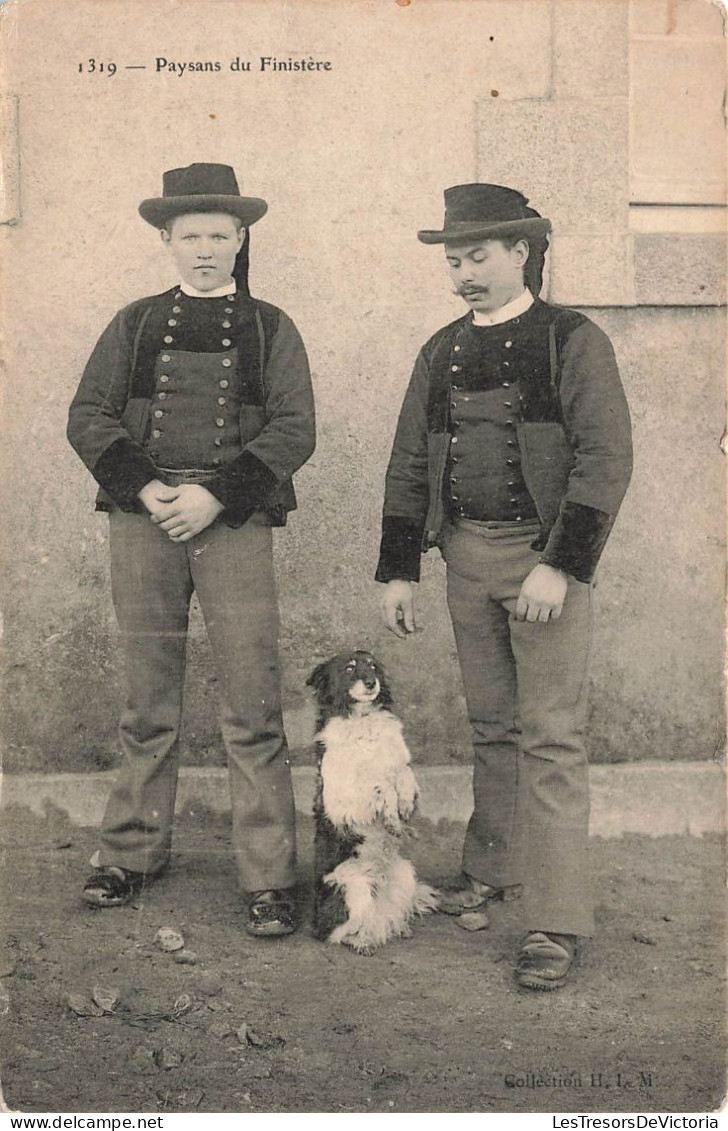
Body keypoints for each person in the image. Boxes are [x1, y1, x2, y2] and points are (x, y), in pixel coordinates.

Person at [376, 183, 632, 989]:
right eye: (454, 260)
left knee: (550, 736)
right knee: (492, 727)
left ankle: (555, 921)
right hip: (466, 561)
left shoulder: (572, 340)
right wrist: (398, 568)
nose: (464, 274)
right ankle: (493, 870)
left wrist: (561, 563)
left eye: (478, 256)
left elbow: (604, 459)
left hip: (545, 564)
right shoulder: (440, 350)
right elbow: (410, 461)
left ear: (521, 251)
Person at [67, 163, 315, 937]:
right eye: (190, 236)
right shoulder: (135, 325)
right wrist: (147, 490)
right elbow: (89, 416)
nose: (205, 249)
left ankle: (270, 875)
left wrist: (216, 494)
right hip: (145, 522)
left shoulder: (272, 326)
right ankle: (132, 852)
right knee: (148, 699)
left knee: (251, 701)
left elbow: (294, 427)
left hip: (232, 522)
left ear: (241, 239)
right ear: (166, 241)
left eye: (219, 235)